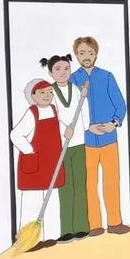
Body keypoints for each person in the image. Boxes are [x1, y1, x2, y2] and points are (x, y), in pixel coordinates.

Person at [69, 37, 130, 236]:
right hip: (85, 142)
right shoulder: (72, 80)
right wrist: (87, 128)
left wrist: (114, 123)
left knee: (112, 181)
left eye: (90, 53)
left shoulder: (106, 76)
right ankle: (94, 225)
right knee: (89, 183)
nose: (86, 57)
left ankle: (114, 223)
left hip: (109, 139)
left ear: (96, 53)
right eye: (82, 53)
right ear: (76, 55)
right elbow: (70, 111)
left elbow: (120, 104)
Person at [10, 79, 66, 250]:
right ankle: (28, 241)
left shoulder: (54, 110)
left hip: (51, 163)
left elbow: (59, 128)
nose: (47, 95)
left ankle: (50, 236)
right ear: (33, 96)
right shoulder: (31, 113)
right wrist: (30, 151)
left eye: (50, 92)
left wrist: (67, 130)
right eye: (42, 92)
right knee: (31, 202)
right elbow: (16, 135)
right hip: (35, 164)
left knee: (51, 200)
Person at [41, 54, 90, 241]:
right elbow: (50, 115)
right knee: (65, 186)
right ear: (51, 72)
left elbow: (83, 111)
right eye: (58, 69)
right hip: (61, 145)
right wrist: (64, 129)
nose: (63, 73)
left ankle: (82, 227)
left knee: (80, 184)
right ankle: (67, 229)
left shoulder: (76, 89)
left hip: (79, 142)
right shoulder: (49, 92)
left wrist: (81, 129)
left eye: (66, 68)